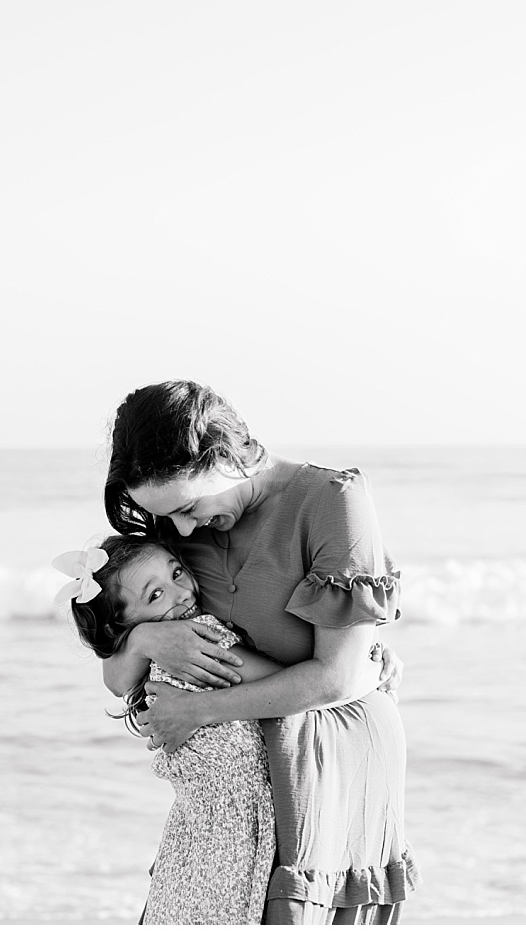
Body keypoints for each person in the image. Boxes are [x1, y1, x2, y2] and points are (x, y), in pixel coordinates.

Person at [99, 381, 418, 924]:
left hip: (331, 750)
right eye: (166, 516)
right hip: (233, 796)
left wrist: (200, 710)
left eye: (186, 507)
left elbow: (337, 679)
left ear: (224, 456)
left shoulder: (330, 502)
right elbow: (117, 669)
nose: (179, 529)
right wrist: (146, 639)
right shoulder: (177, 524)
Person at [58, 535, 281, 924]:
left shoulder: (150, 669)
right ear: (124, 626)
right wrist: (362, 669)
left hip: (190, 839)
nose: (181, 593)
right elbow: (288, 684)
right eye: (155, 595)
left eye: (177, 573)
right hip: (232, 843)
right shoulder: (194, 641)